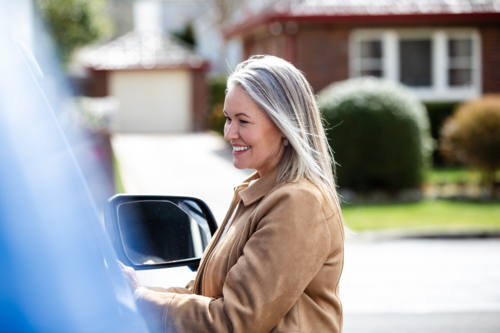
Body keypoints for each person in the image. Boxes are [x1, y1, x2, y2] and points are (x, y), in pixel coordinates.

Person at [120, 55, 345, 333]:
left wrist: (140, 298)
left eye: (243, 121)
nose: (229, 133)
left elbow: (235, 320)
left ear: (284, 127)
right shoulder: (256, 193)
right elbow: (205, 295)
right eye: (228, 118)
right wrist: (134, 291)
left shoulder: (298, 202)